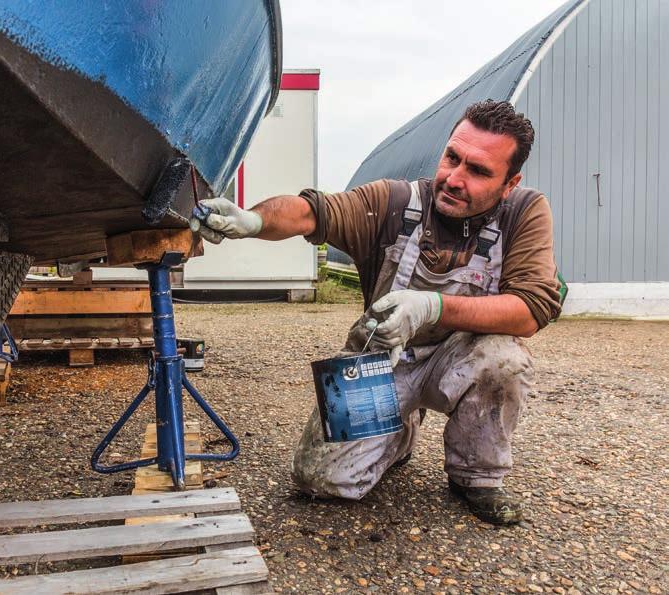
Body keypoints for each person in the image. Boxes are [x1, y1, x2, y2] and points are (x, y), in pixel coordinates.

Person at [190, 100, 562, 525]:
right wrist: (253, 221)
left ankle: (475, 476)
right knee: (319, 479)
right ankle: (398, 435)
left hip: (460, 357)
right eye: (452, 158)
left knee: (505, 361)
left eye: (478, 171)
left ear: (509, 183)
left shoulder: (524, 213)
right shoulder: (394, 202)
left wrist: (431, 305)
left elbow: (531, 309)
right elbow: (311, 212)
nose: (454, 179)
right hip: (382, 357)